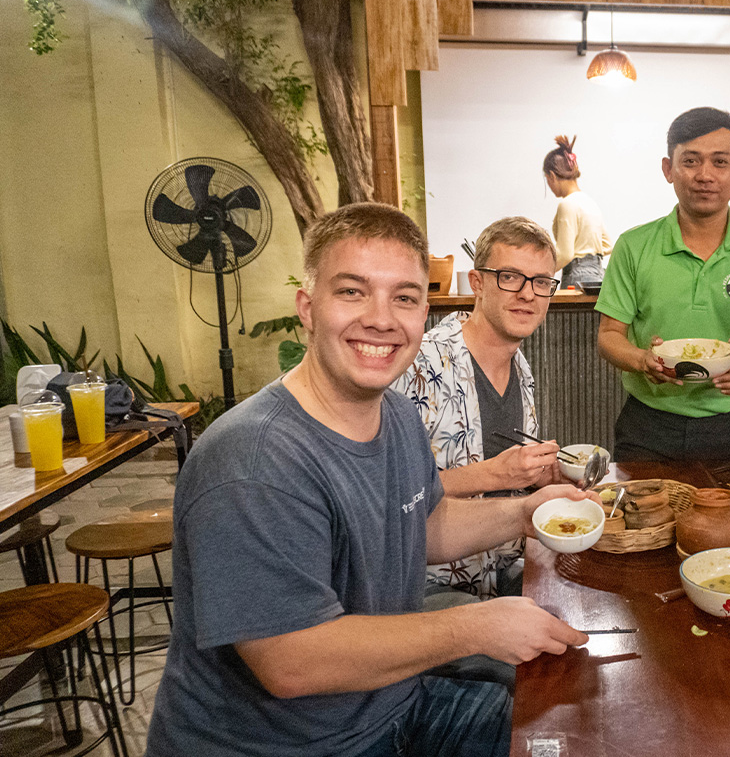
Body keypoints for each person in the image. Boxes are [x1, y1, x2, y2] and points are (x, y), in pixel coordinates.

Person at [146, 203, 594, 757]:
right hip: (293, 744)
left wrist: (525, 513)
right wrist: (475, 626)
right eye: (353, 292)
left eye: (403, 297)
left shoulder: (396, 415)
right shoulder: (253, 460)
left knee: (567, 734)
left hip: (393, 704)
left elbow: (424, 524)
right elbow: (290, 661)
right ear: (307, 309)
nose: (382, 319)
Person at [595, 107, 730, 462]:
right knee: (642, 518)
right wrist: (643, 360)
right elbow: (609, 336)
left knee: (728, 517)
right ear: (668, 169)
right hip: (647, 423)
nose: (705, 175)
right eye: (690, 161)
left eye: (720, 162)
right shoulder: (633, 245)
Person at [393, 216, 563, 602]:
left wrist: (546, 476)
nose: (527, 294)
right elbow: (393, 496)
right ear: (477, 282)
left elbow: (513, 478)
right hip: (425, 584)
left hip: (502, 563)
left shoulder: (520, 364)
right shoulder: (422, 363)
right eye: (509, 277)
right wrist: (492, 474)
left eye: (541, 282)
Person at [543, 135, 610, 288]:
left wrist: (540, 273)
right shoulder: (589, 202)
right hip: (598, 273)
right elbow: (607, 244)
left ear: (552, 176)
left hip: (577, 274)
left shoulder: (567, 204)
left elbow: (565, 254)